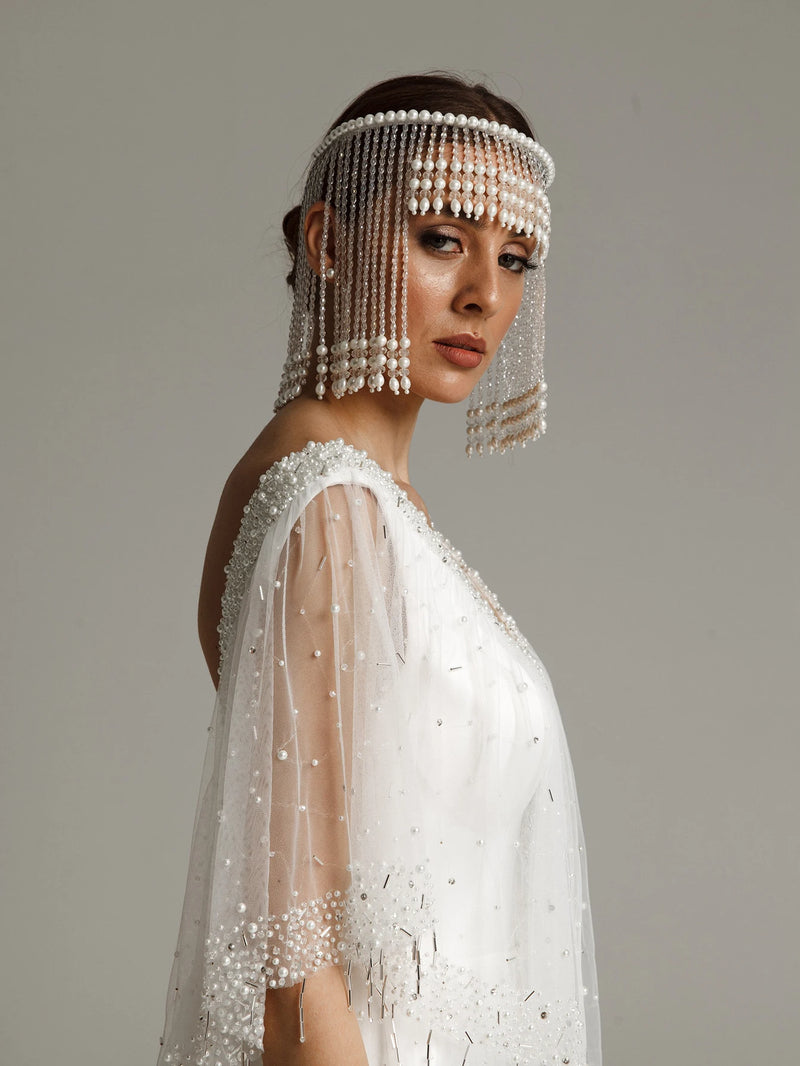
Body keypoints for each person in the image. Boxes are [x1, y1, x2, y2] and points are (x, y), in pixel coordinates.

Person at [156, 72, 601, 1066]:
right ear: (324, 241)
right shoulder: (327, 508)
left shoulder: (362, 507)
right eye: (442, 239)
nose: (484, 293)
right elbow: (288, 949)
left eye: (515, 256)